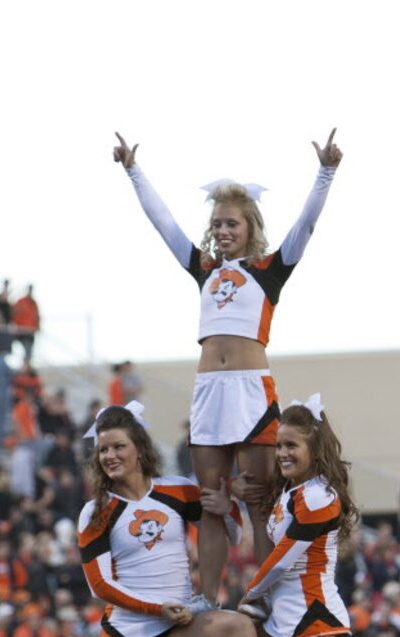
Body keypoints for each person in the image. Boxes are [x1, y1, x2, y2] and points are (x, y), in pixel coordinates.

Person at [113, 129, 342, 601]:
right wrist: (133, 170)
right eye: (217, 223)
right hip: (209, 393)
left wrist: (326, 172)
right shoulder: (203, 269)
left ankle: (263, 596)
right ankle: (206, 597)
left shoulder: (270, 269)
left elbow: (306, 225)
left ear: (249, 227)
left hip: (251, 391)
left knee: (259, 500)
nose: (222, 231)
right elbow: (164, 225)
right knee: (210, 502)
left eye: (231, 223)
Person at [78, 401, 292, 637]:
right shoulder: (97, 511)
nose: (110, 456)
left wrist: (228, 509)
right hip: (128, 629)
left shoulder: (176, 489)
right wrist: (154, 607)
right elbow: (99, 586)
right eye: (103, 450)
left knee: (238, 628)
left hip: (178, 621)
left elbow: (231, 532)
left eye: (118, 446)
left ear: (139, 447)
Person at [237, 396, 357, 637]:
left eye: (292, 445)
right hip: (285, 613)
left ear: (314, 448)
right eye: (279, 446)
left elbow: (285, 557)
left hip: (313, 614)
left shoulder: (321, 496)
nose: (283, 453)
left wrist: (252, 592)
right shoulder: (290, 493)